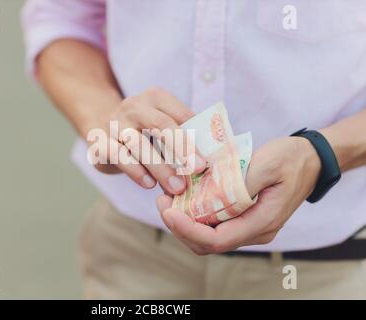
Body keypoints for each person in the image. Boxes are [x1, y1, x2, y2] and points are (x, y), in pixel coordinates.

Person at [21, 0, 366, 299]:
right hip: (137, 255)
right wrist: (107, 126)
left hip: (329, 268)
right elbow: (61, 16)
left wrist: (321, 155)